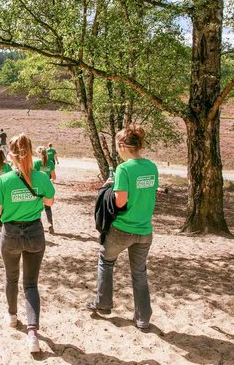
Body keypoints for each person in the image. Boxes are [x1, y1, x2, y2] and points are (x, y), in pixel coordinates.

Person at [86, 124, 158, 331]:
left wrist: (110, 186)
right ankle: (143, 318)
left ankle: (103, 303)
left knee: (106, 261)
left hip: (122, 229)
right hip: (144, 229)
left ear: (122, 146)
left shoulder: (123, 169)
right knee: (139, 273)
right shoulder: (151, 166)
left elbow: (120, 202)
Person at [0, 134, 55, 353]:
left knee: (11, 277)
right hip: (35, 231)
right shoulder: (42, 178)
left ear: (11, 156)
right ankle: (33, 334)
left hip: (11, 232)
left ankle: (11, 316)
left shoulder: (3, 180)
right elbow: (49, 202)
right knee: (31, 284)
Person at [34, 146, 57, 234]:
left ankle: (37, 225)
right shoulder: (51, 163)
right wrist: (48, 181)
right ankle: (50, 223)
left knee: (36, 206)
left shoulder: (36, 163)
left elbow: (32, 176)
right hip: (46, 187)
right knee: (48, 207)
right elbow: (54, 177)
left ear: (38, 154)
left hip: (37, 188)